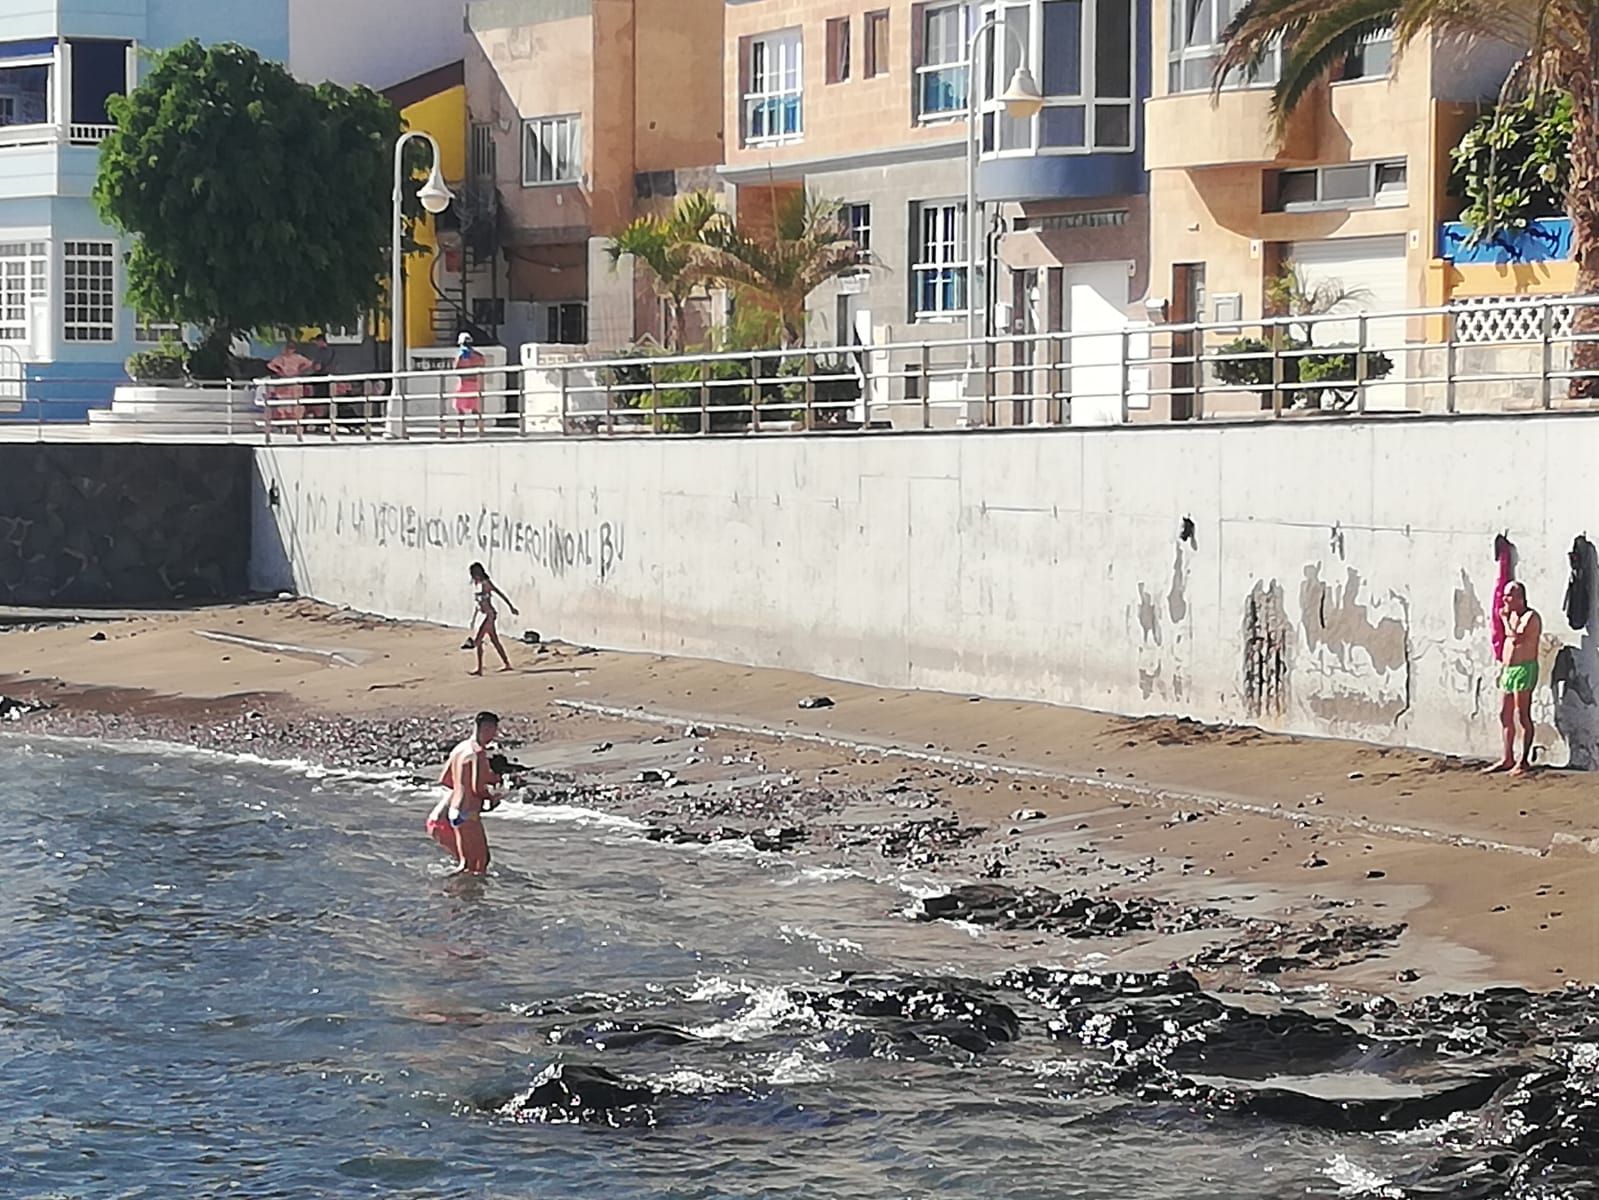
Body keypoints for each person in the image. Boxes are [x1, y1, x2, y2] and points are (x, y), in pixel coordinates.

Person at [427, 711, 502, 875]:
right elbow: (477, 788)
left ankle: (457, 894)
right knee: (481, 862)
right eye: (494, 730)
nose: (494, 735)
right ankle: (473, 898)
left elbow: (446, 779)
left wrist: (462, 786)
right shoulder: (478, 753)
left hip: (455, 812)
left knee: (465, 864)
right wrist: (492, 797)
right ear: (487, 728)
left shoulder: (460, 748)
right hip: (469, 812)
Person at [1484, 581, 1542, 776]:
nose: (1505, 599)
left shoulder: (1530, 617)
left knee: (1522, 715)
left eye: (1509, 596)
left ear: (1519, 598)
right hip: (1509, 670)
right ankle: (1507, 756)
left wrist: (1505, 620)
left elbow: (1517, 637)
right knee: (1504, 713)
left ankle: (1523, 760)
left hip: (1524, 669)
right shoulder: (1513, 616)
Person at [467, 561, 518, 675]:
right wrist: (474, 618)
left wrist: (511, 607)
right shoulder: (477, 586)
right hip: (482, 615)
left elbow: (501, 594)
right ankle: (504, 664)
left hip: (489, 615)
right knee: (494, 640)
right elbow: (477, 605)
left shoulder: (486, 584)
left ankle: (476, 655)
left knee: (478, 639)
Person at [453, 332, 486, 432]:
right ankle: (480, 430)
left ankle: (461, 431)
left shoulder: (461, 355)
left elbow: (456, 368)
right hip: (475, 383)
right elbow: (483, 363)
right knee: (475, 409)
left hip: (464, 383)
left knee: (459, 408)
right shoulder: (478, 355)